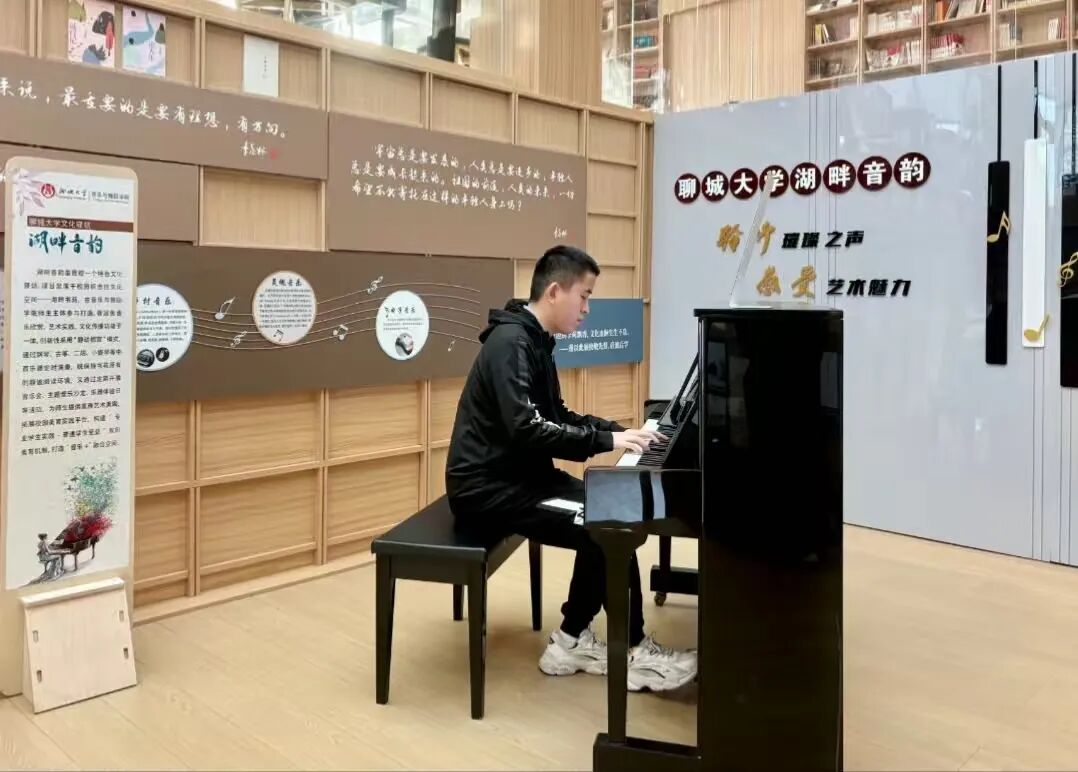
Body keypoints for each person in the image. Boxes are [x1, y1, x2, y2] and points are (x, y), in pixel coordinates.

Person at [445, 245, 697, 693]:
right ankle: (619, 647)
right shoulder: (510, 344)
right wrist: (607, 442)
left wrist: (621, 432)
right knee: (607, 523)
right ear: (555, 292)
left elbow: (557, 414)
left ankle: (575, 638)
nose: (586, 308)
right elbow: (528, 429)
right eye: (584, 296)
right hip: (488, 488)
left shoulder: (534, 341)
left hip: (523, 478)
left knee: (612, 513)